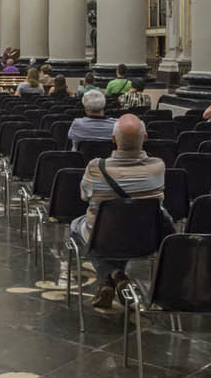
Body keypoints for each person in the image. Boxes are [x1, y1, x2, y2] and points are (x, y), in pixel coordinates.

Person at [70, 114, 166, 309]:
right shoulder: (158, 167)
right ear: (145, 138)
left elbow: (84, 196)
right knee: (120, 228)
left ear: (113, 140)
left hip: (104, 236)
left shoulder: (96, 167)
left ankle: (110, 277)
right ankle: (116, 276)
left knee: (78, 225)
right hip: (145, 238)